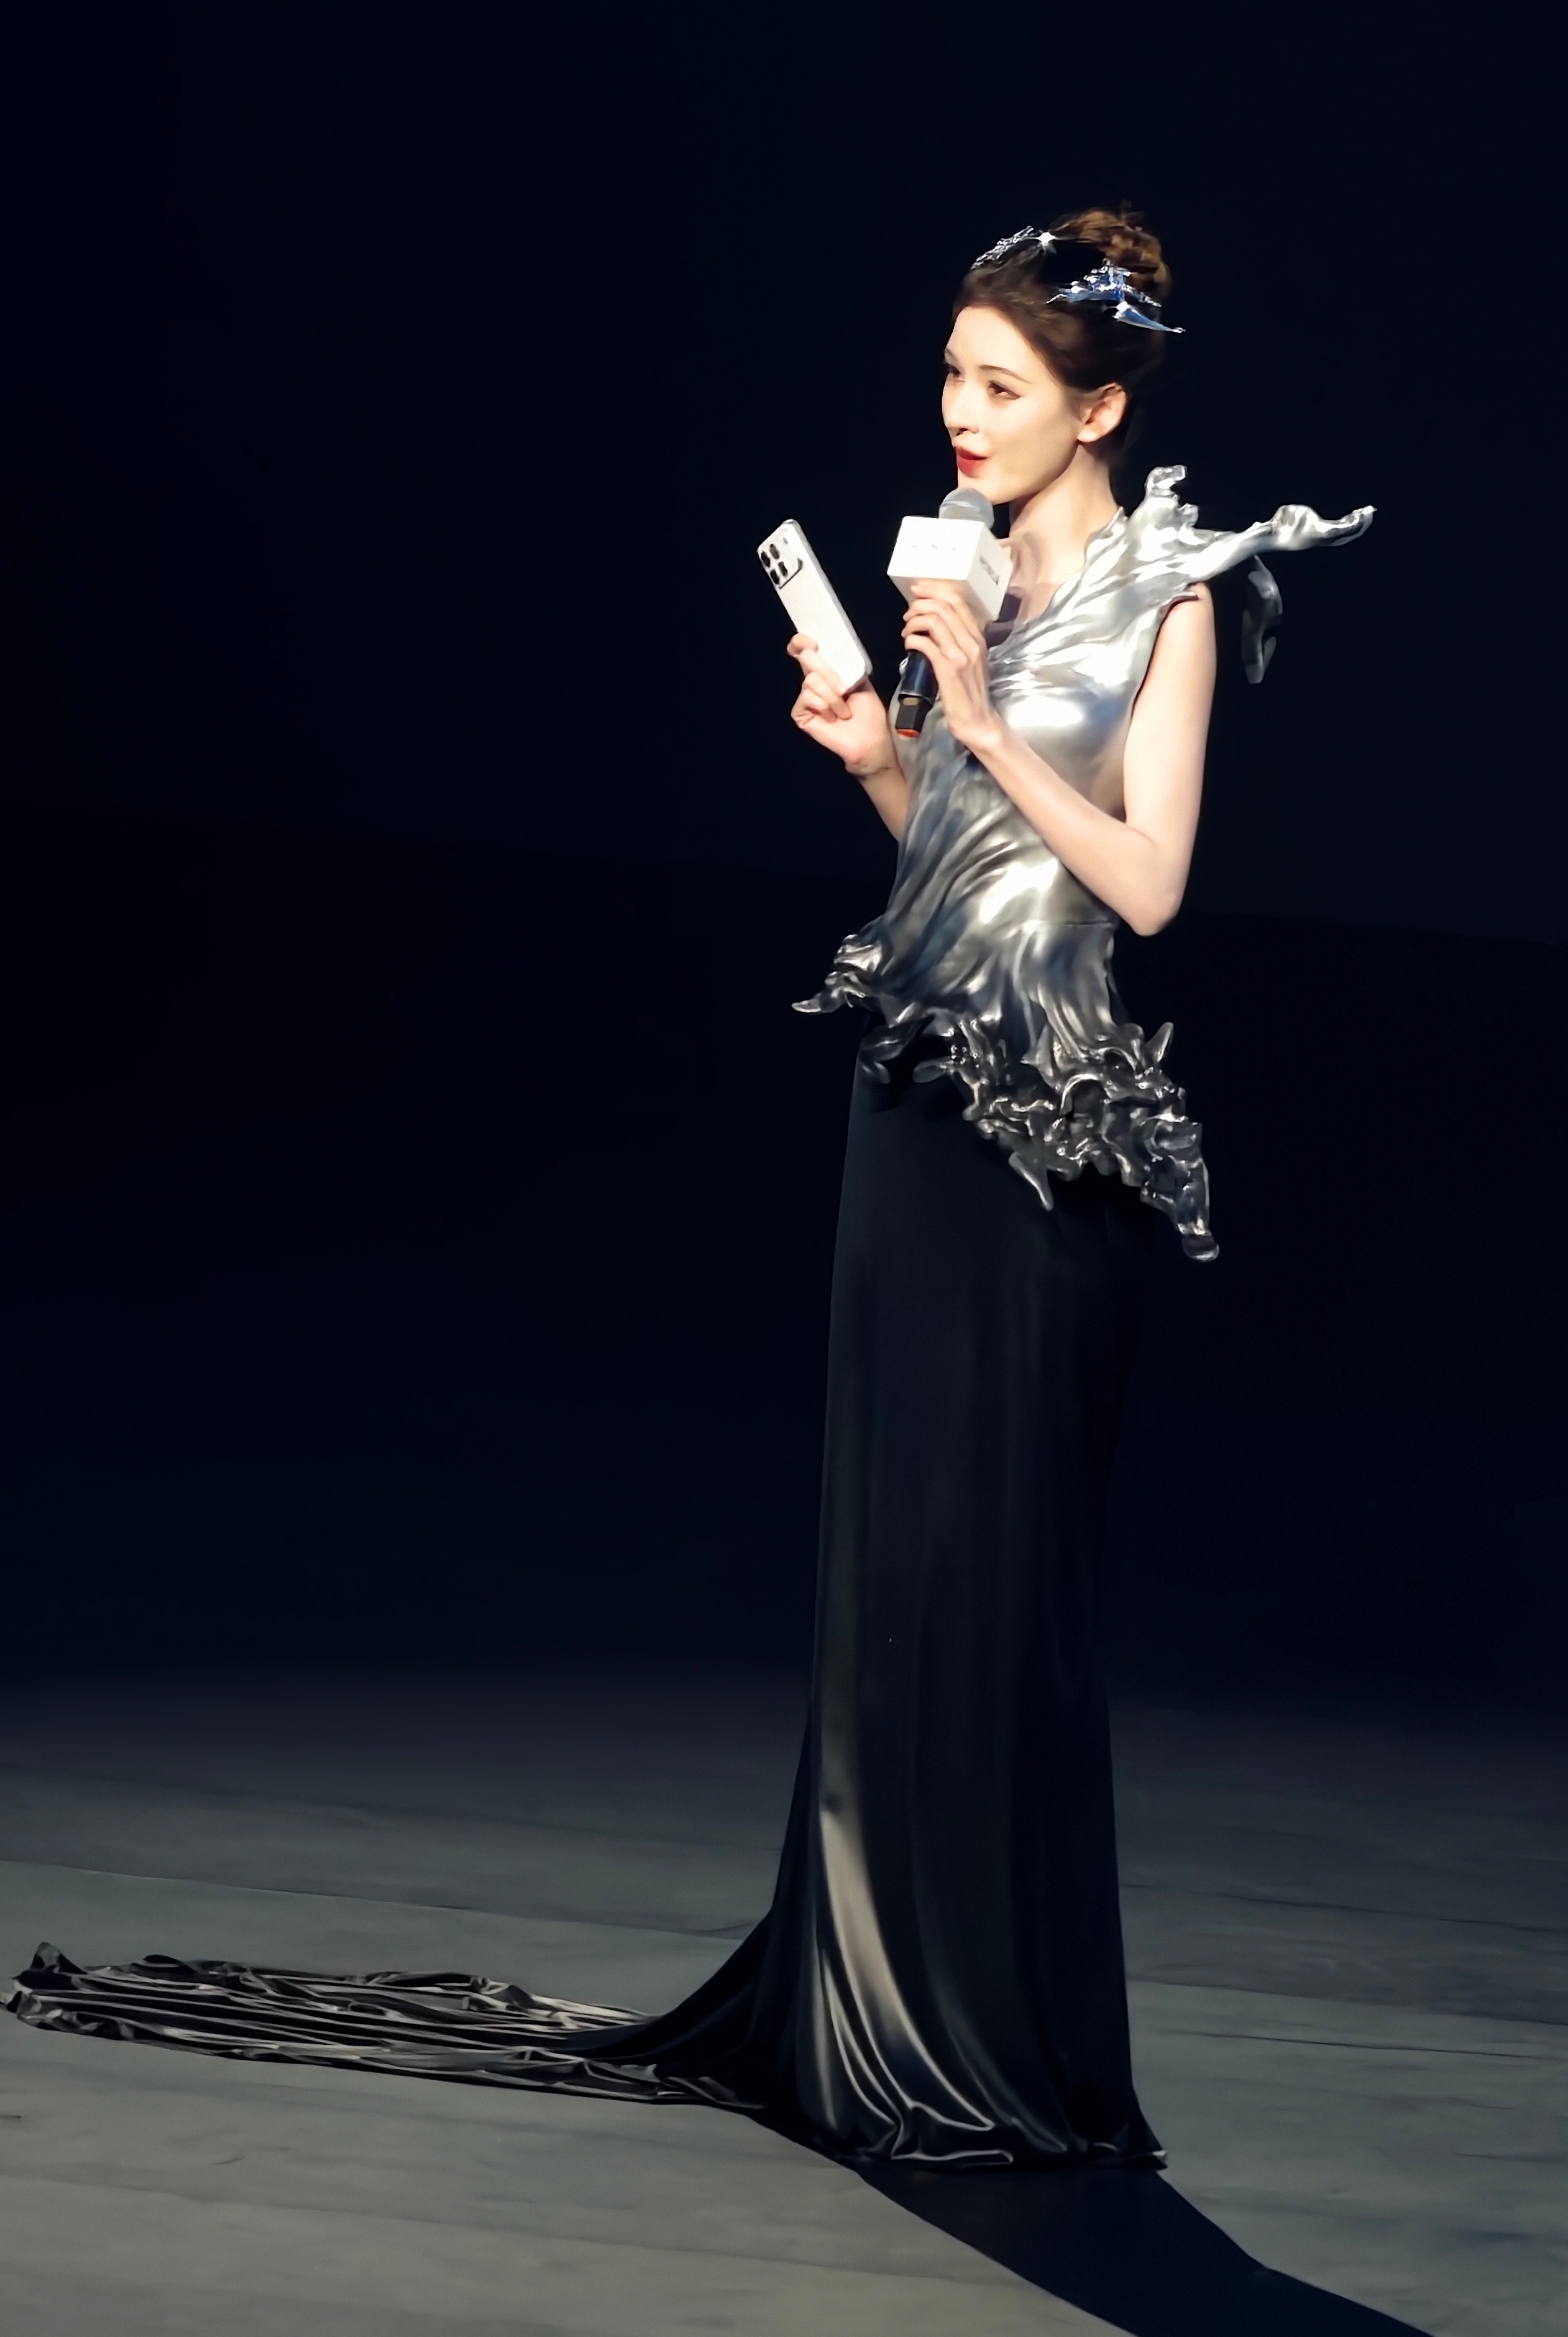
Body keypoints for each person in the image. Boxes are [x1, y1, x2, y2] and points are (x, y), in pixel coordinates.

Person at [10, 211, 1370, 2170]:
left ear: (1099, 410)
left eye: (999, 385)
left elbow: (1144, 888)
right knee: (891, 1576)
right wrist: (881, 759)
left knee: (1004, 1588)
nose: (959, 411)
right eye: (951, 375)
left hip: (1049, 1143)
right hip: (910, 1106)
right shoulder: (961, 571)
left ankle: (994, 2037)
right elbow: (955, 863)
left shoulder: (1175, 601)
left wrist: (981, 718)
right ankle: (869, 2002)